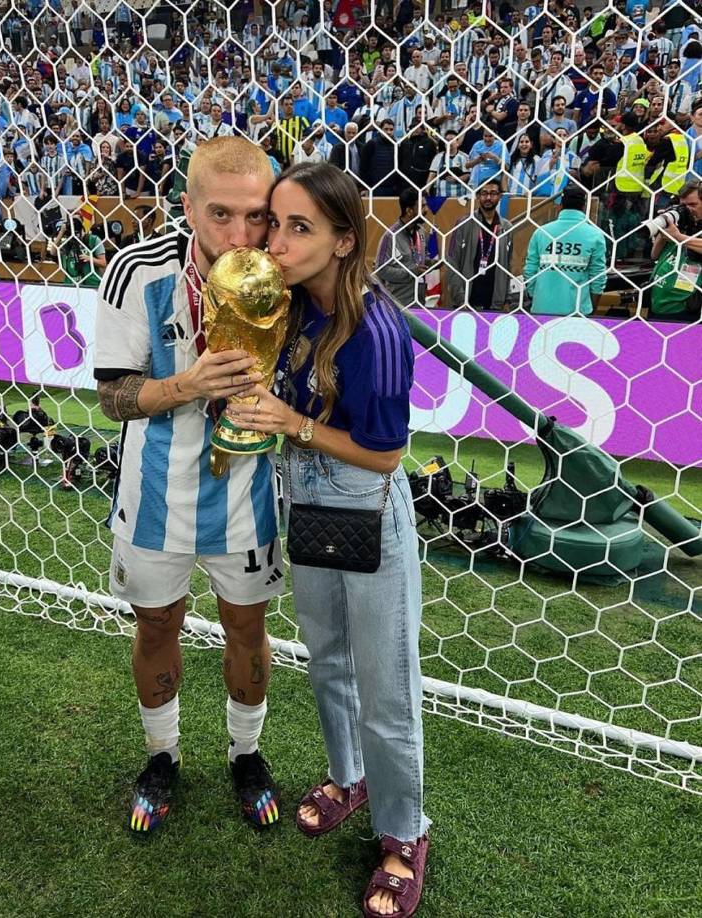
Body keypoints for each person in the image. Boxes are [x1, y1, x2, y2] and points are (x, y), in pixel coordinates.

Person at [225, 161, 430, 918]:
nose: (275, 243)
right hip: (305, 500)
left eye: (298, 228)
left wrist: (294, 424)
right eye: (274, 225)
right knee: (328, 664)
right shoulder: (286, 307)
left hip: (366, 505)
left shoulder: (376, 329)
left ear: (345, 240)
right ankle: (350, 780)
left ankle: (404, 834)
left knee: (387, 689)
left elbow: (387, 454)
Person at [93, 136, 283, 834]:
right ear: (188, 208)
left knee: (247, 627)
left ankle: (245, 755)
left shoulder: (282, 269)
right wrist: (187, 384)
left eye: (256, 216)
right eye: (220, 215)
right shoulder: (137, 271)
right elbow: (111, 397)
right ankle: (162, 756)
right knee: (156, 625)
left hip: (247, 493)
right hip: (154, 495)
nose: (240, 235)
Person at [523, 185, 608, 316]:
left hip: (542, 309)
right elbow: (598, 277)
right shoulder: (594, 235)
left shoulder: (541, 233)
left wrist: (539, 296)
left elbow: (530, 270)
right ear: (584, 206)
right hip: (577, 311)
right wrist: (591, 307)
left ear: (560, 205)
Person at [446, 179, 513, 311]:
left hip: (495, 305)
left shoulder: (507, 227)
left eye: (493, 193)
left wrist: (507, 299)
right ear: (477, 196)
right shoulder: (463, 224)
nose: (488, 197)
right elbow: (452, 263)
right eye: (484, 193)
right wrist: (460, 299)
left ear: (500, 196)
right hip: (466, 303)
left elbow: (508, 266)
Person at [648, 179, 702, 320]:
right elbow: (654, 255)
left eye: (693, 205)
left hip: (685, 309)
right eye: (683, 205)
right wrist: (664, 229)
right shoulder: (681, 222)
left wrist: (679, 237)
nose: (687, 210)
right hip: (657, 304)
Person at [375, 187, 430, 307]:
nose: (426, 210)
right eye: (422, 206)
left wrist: (431, 263)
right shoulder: (390, 237)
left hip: (420, 304)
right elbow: (381, 269)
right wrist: (411, 272)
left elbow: (419, 261)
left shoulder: (421, 231)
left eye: (426, 205)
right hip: (399, 306)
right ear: (409, 211)